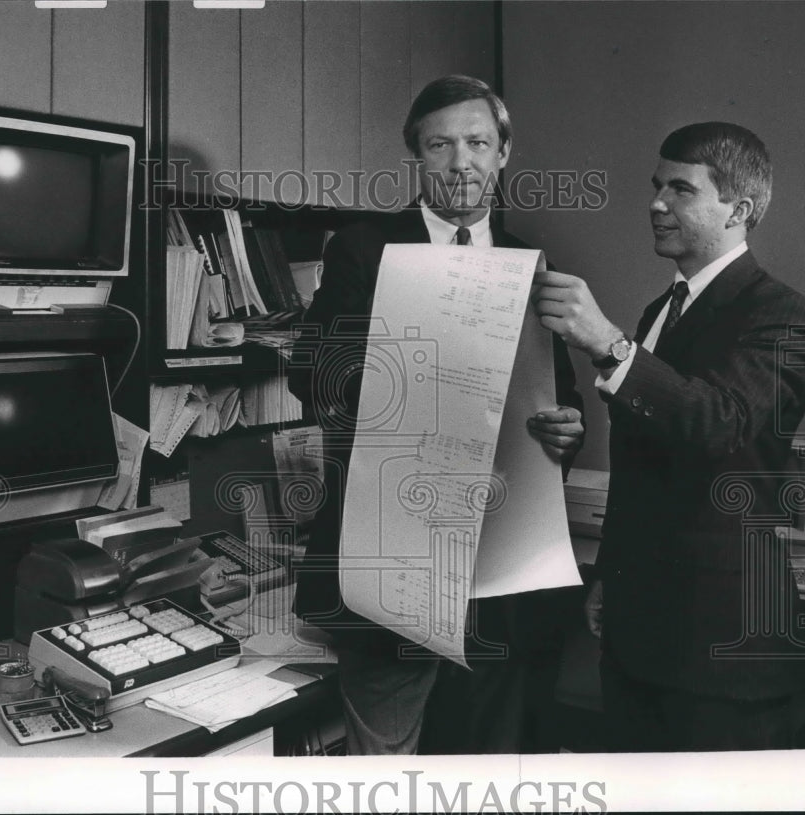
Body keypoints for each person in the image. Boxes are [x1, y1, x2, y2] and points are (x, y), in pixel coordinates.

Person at [288, 74, 585, 755]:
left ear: (503, 153)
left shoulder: (528, 262)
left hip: (499, 567)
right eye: (440, 144)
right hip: (392, 553)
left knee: (487, 765)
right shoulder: (362, 249)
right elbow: (312, 373)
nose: (461, 161)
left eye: (478, 142)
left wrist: (569, 427)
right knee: (385, 768)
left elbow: (558, 396)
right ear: (415, 157)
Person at [532, 121, 805, 751]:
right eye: (657, 186)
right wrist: (608, 573)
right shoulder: (660, 310)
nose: (656, 203)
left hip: (723, 650)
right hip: (642, 637)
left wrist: (608, 343)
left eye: (681, 190)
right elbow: (644, 470)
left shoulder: (782, 312)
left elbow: (723, 426)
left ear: (738, 210)